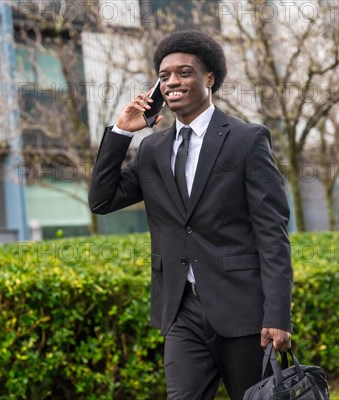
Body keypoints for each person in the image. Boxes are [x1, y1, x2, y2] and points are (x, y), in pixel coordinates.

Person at [88, 30, 293, 400]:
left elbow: (273, 234)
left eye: (183, 72)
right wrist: (121, 131)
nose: (172, 82)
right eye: (164, 76)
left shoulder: (247, 140)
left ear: (209, 78)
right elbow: (102, 200)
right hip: (180, 310)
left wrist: (277, 315)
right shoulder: (151, 150)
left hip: (242, 312)